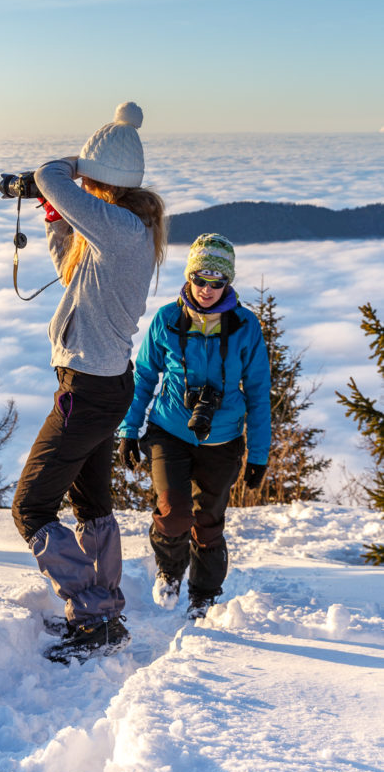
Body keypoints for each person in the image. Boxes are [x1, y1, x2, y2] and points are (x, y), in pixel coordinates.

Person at [11, 102, 167, 663]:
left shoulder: (119, 226)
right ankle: (104, 610)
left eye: (91, 180)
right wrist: (57, 219)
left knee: (30, 507)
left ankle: (95, 613)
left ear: (101, 181)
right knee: (92, 502)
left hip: (89, 391)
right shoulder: (127, 228)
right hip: (105, 386)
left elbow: (49, 176)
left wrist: (66, 173)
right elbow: (72, 272)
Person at [118, 233, 271, 619]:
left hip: (223, 438)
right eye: (200, 279)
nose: (206, 289)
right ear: (189, 277)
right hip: (169, 429)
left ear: (228, 283)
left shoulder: (244, 326)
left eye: (217, 281)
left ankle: (203, 597)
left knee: (208, 523)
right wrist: (128, 430)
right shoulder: (167, 320)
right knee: (173, 513)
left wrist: (259, 454)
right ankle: (169, 571)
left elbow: (257, 392)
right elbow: (144, 378)